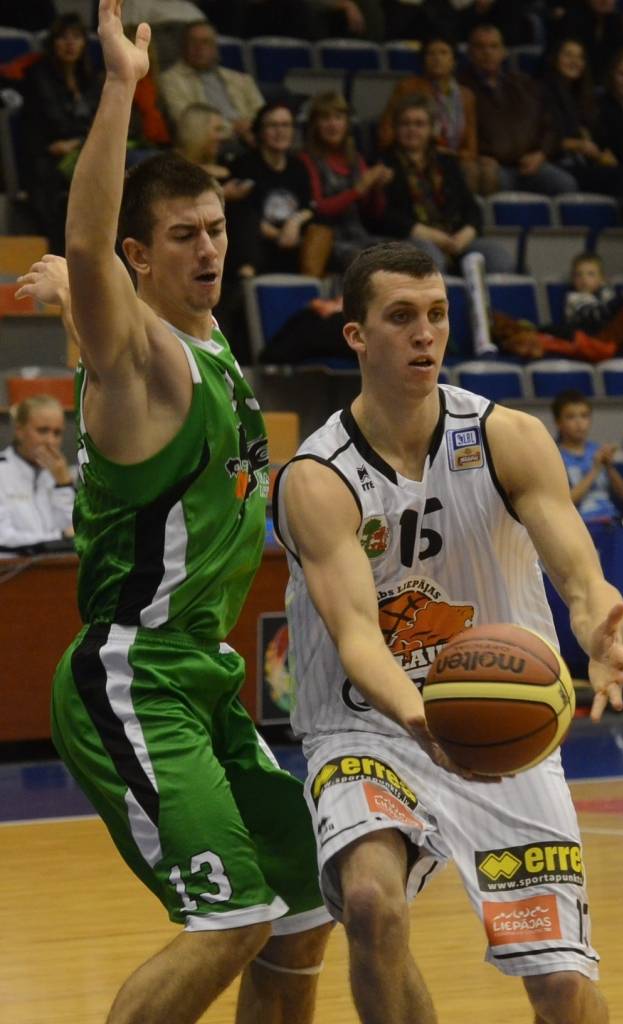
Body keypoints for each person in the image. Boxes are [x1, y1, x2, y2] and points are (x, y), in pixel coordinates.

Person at [15, 4, 332, 1023]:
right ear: (139, 259)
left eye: (217, 229)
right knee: (230, 922)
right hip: (134, 672)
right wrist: (121, 86)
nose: (209, 248)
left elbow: (95, 284)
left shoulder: (207, 339)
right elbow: (87, 243)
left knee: (304, 907)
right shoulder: (143, 362)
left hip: (205, 676)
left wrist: (72, 293)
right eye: (184, 235)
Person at [273, 240, 623, 1024]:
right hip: (368, 725)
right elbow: (357, 636)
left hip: (502, 725)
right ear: (356, 335)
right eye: (401, 316)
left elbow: (580, 574)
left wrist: (596, 628)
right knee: (372, 904)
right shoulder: (317, 476)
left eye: (437, 314)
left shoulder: (509, 437)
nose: (425, 333)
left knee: (562, 987)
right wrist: (421, 715)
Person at [379, 94, 513, 272]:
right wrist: (433, 236)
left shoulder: (447, 162)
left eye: (419, 124)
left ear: (431, 129)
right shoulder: (383, 164)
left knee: (499, 256)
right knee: (429, 258)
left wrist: (464, 236)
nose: (412, 129)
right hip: (412, 239)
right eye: (405, 124)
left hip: (455, 240)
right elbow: (384, 216)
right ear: (396, 128)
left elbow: (471, 207)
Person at [457, 23, 578, 195]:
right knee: (493, 182)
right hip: (493, 167)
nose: (487, 52)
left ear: (503, 52)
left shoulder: (525, 85)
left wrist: (541, 154)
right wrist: (477, 158)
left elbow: (551, 127)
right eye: (480, 47)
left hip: (531, 163)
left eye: (494, 46)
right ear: (469, 52)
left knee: (565, 184)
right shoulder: (461, 89)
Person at [21, 12, 103, 253]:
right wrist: (73, 142)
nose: (70, 43)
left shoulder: (92, 78)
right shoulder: (37, 76)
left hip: (87, 151)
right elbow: (43, 126)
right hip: (50, 157)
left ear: (84, 43)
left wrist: (79, 142)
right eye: (63, 37)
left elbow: (104, 121)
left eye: (76, 37)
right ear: (53, 42)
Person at [377, 36, 497, 195]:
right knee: (469, 171)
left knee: (489, 168)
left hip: (453, 156)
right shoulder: (407, 87)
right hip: (419, 153)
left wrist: (452, 154)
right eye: (431, 53)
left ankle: (480, 211)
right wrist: (430, 148)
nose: (437, 58)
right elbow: (386, 134)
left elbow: (471, 147)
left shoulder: (466, 96)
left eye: (443, 53)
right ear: (424, 60)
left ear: (454, 61)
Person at [300, 91, 393, 271]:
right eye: (325, 118)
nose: (333, 124)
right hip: (326, 240)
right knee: (365, 262)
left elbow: (373, 214)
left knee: (405, 254)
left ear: (347, 123)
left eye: (338, 117)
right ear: (314, 125)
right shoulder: (307, 160)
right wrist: (357, 190)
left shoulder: (356, 159)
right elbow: (318, 208)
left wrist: (377, 189)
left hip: (358, 234)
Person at [226, 101, 315, 279]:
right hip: (259, 243)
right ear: (260, 131)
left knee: (323, 228)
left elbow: (309, 207)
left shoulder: (298, 166)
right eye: (273, 125)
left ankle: (316, 288)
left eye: (286, 125)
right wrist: (280, 235)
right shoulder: (244, 164)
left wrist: (294, 222)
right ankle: (246, 286)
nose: (280, 131)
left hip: (293, 240)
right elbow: (244, 216)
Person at [159, 19, 264, 152]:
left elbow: (263, 114)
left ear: (215, 47)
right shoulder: (170, 80)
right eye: (193, 42)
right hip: (206, 144)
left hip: (250, 138)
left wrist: (251, 128)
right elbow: (186, 122)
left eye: (205, 42)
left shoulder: (240, 79)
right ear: (183, 47)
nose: (199, 48)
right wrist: (235, 128)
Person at [540, 37, 621, 195]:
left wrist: (603, 154)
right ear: (555, 59)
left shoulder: (585, 98)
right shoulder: (542, 92)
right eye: (568, 55)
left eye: (579, 57)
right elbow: (544, 139)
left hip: (582, 162)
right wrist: (578, 145)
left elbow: (596, 137)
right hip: (556, 162)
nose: (574, 61)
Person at [0, 394, 75, 551]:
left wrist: (64, 485)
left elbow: (76, 531)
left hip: (58, 563)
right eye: (42, 431)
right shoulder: (3, 471)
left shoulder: (60, 474)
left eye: (57, 433)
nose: (50, 441)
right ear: (19, 430)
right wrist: (60, 538)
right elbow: (4, 537)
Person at [553, 389, 623, 520]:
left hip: (611, 519)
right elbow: (565, 503)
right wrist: (595, 470)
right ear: (558, 422)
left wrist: (609, 467)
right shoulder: (555, 456)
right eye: (570, 417)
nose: (579, 423)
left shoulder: (597, 450)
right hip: (581, 523)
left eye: (584, 416)